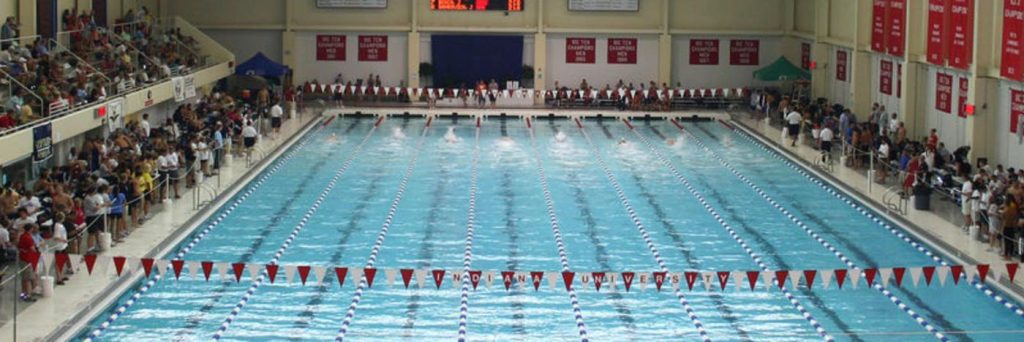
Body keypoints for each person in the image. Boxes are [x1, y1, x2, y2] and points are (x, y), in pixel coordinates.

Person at [17, 223, 39, 302]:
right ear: (31, 229)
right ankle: (28, 296)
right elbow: (33, 249)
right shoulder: (28, 237)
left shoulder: (22, 236)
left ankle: (23, 294)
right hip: (27, 260)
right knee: (28, 279)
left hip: (22, 258)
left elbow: (19, 246)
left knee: (24, 278)